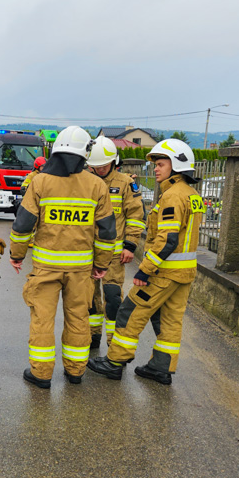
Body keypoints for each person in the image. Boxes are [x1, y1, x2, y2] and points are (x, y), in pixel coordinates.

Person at [88, 139, 204, 385]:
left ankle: (114, 362)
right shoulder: (192, 195)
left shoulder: (172, 196)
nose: (156, 169)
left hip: (163, 273)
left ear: (177, 165)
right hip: (184, 273)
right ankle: (160, 368)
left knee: (130, 312)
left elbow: (167, 240)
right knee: (170, 322)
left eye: (161, 164)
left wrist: (145, 270)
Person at [9, 126, 116, 388]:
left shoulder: (40, 182)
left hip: (46, 267)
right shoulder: (97, 185)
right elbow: (108, 231)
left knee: (42, 319)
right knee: (79, 318)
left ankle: (42, 374)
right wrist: (102, 264)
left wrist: (16, 255)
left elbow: (23, 225)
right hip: (81, 270)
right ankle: (76, 372)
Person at [86, 137, 147, 348]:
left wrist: (131, 246)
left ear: (114, 161)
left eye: (104, 165)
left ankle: (113, 343)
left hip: (114, 254)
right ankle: (93, 336)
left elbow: (135, 216)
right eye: (96, 166)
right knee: (89, 299)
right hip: (87, 253)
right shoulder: (84, 182)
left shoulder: (126, 183)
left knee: (112, 297)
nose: (100, 170)